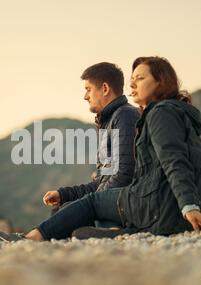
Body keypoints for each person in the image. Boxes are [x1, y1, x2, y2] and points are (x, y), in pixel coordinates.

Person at [0, 56, 201, 242]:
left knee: (90, 205)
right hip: (167, 206)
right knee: (73, 210)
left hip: (166, 207)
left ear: (160, 82)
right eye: (132, 78)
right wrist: (66, 194)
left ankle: (28, 240)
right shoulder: (159, 113)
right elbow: (126, 175)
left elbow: (172, 161)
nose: (132, 84)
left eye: (140, 78)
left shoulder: (155, 113)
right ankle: (120, 232)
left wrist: (189, 206)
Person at [42, 62, 140, 228]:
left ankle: (28, 239)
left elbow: (124, 175)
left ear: (105, 88)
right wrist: (64, 194)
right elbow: (101, 181)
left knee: (70, 211)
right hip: (110, 199)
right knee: (61, 208)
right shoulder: (109, 121)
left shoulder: (125, 115)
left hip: (126, 204)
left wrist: (89, 204)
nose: (85, 96)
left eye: (88, 89)